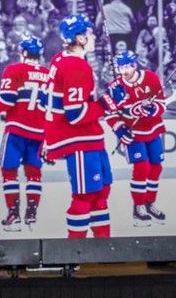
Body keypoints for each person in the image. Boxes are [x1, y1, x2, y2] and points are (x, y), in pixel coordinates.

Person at [44, 14, 124, 238]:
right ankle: (75, 249)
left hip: (87, 138)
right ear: (78, 38)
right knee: (85, 195)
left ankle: (102, 246)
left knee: (101, 191)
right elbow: (75, 115)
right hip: (78, 139)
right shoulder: (75, 67)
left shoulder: (61, 59)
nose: (93, 36)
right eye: (89, 33)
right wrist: (108, 101)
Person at [0, 34, 49, 231]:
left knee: (9, 172)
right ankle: (32, 213)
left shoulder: (14, 69)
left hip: (17, 129)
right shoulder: (48, 74)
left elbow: (6, 100)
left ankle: (14, 213)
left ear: (23, 52)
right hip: (40, 131)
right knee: (34, 173)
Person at [104, 50, 167, 226]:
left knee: (156, 168)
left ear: (134, 65)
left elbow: (161, 103)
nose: (124, 70)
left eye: (127, 66)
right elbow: (110, 114)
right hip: (133, 135)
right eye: (121, 67)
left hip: (152, 130)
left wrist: (153, 109)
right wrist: (120, 130)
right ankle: (138, 207)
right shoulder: (115, 87)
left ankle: (149, 203)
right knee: (142, 167)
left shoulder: (151, 78)